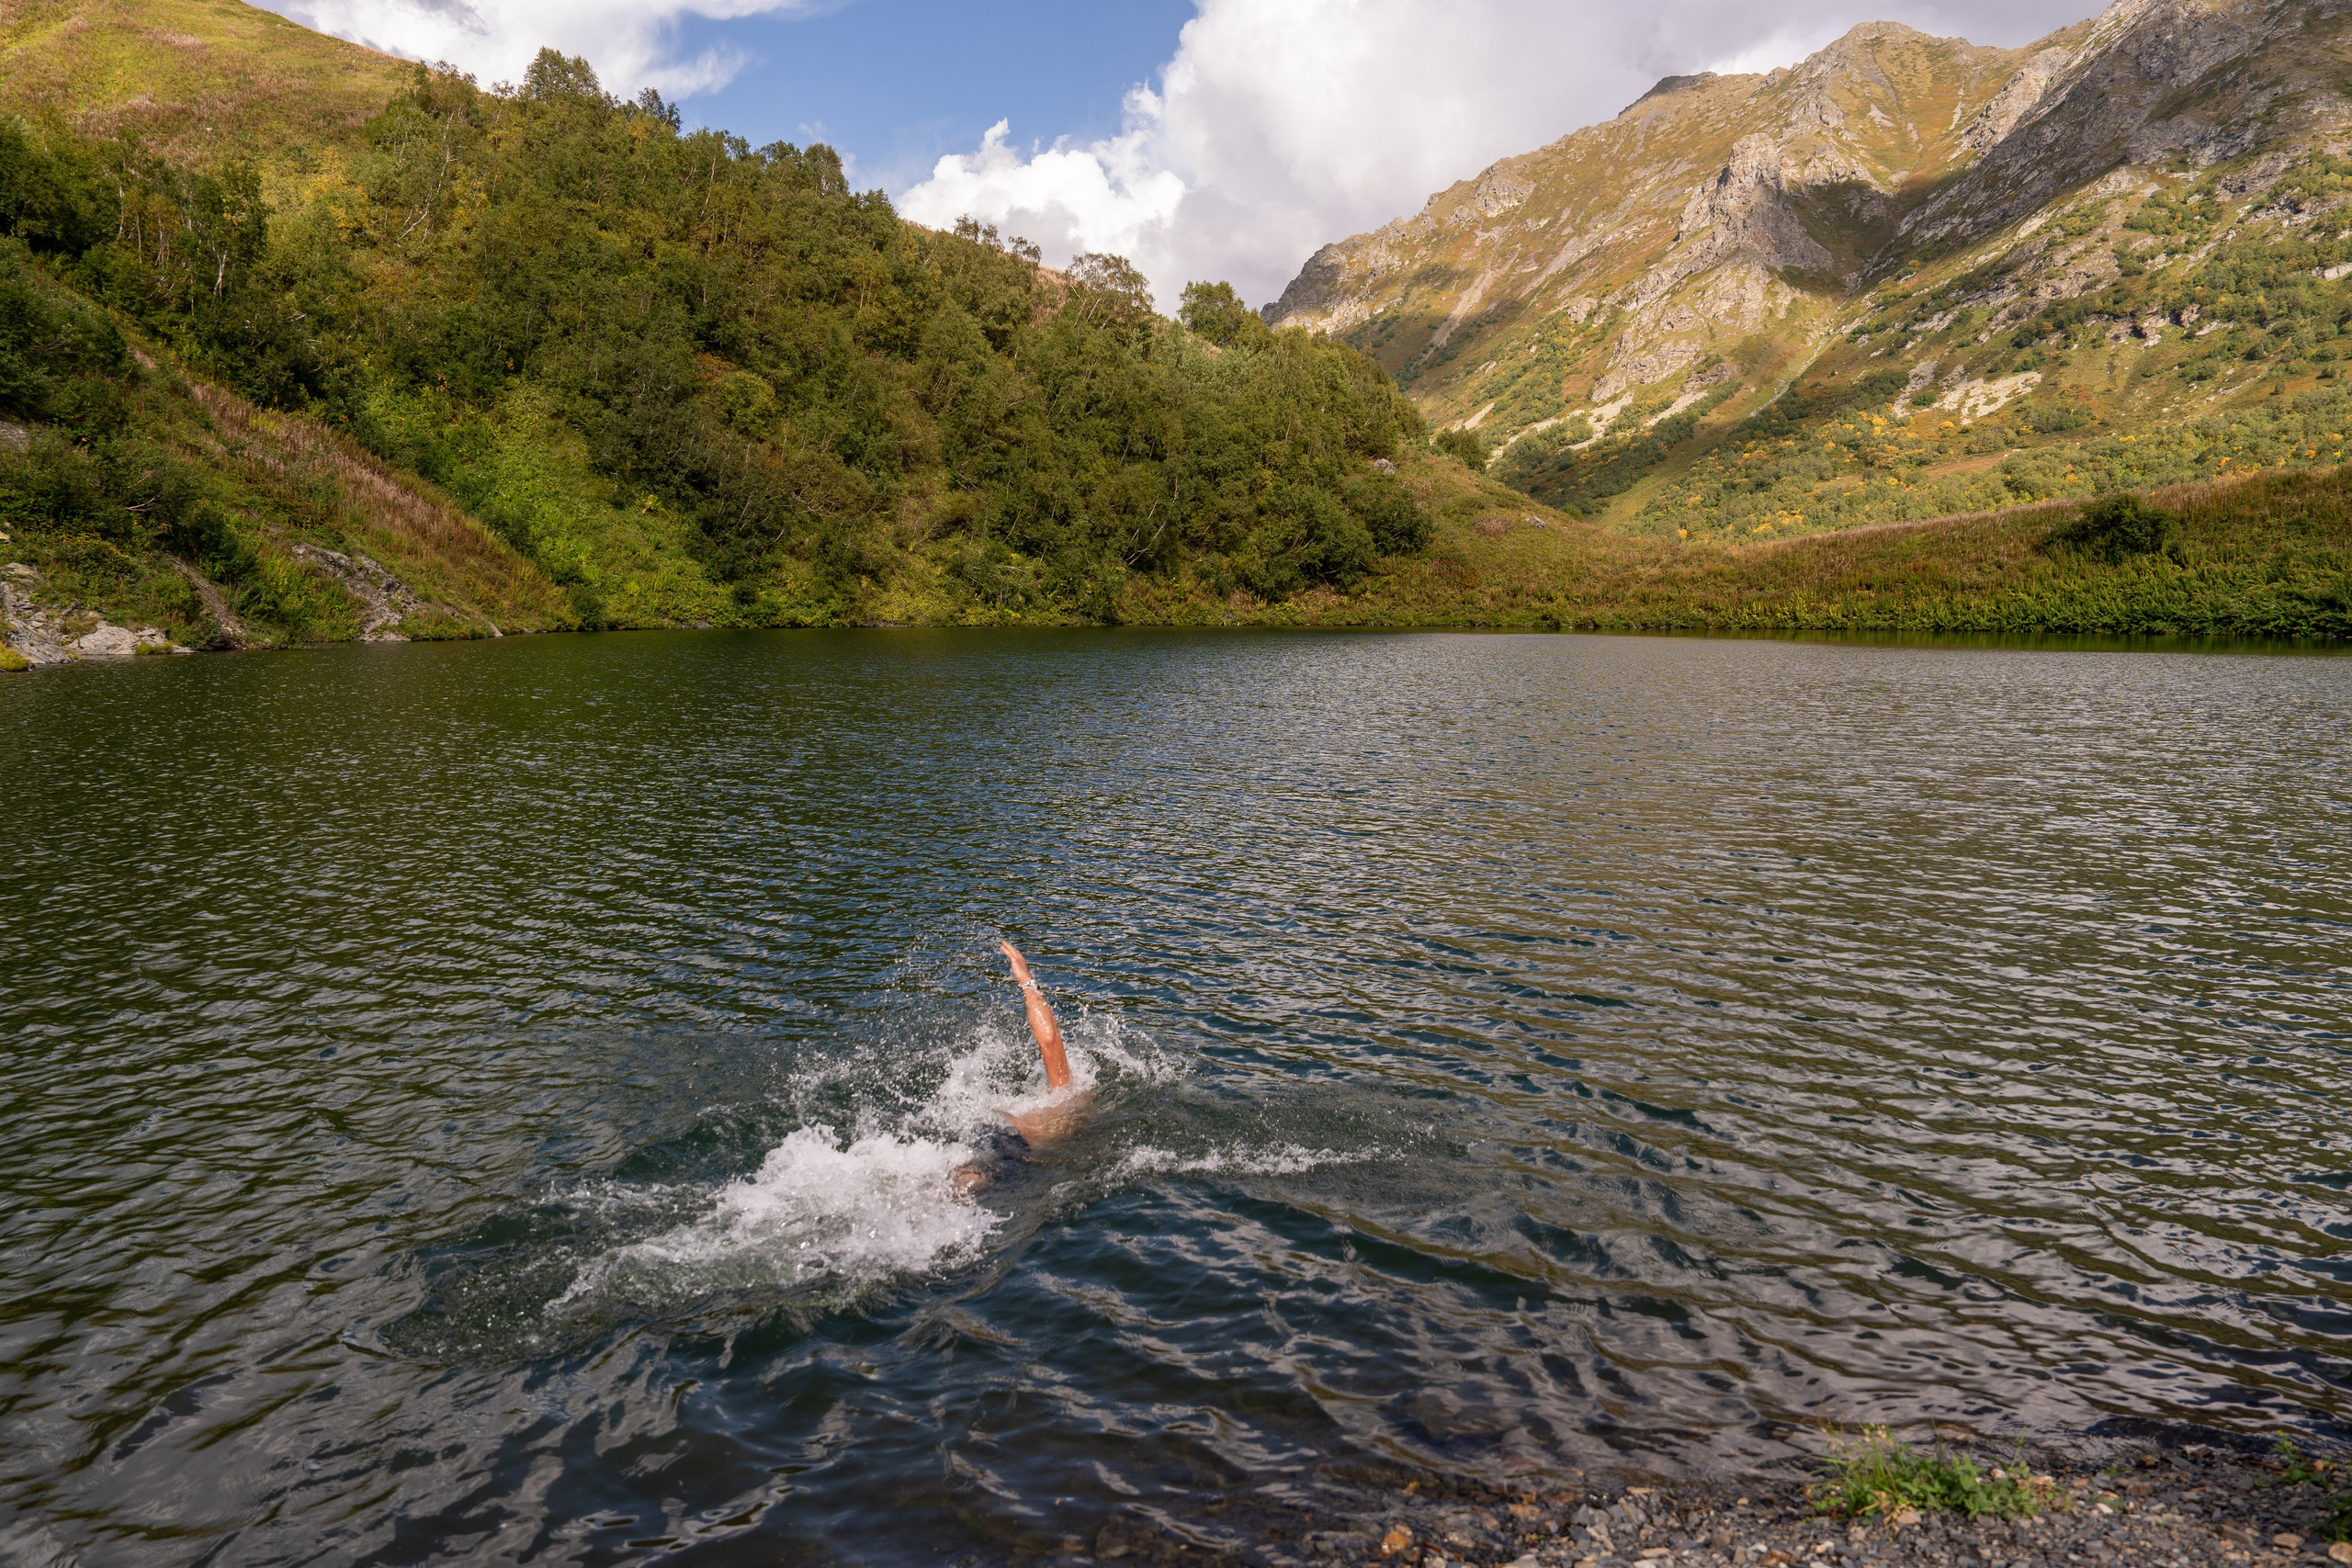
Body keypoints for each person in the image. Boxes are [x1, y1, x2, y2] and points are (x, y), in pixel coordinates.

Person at [952, 942, 1088, 1194]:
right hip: (1014, 1146)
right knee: (958, 1187)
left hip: (996, 1132)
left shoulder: (1068, 1093)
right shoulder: (1069, 1109)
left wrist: (1026, 981)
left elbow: (1050, 1041)